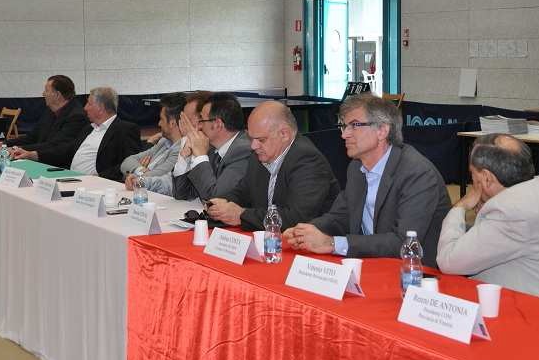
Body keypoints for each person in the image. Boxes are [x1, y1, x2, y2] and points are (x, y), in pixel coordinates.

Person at [283, 94, 450, 268]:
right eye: (344, 126)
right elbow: (341, 216)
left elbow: (403, 242)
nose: (344, 135)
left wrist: (332, 243)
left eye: (354, 125)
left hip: (417, 273)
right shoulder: (356, 168)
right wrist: (304, 231)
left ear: (382, 131)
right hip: (374, 263)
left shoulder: (417, 173)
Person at [436, 133, 539, 309]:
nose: (472, 182)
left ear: (487, 178)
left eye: (473, 175)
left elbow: (447, 260)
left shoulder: (509, 211)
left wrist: (460, 206)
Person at [207, 101, 340, 230]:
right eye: (251, 138)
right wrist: (219, 204)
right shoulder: (260, 155)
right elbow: (243, 192)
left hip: (308, 240)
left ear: (284, 134)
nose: (253, 146)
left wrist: (241, 215)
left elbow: (297, 217)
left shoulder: (307, 160)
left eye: (261, 140)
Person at [11, 87, 140, 181]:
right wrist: (33, 154)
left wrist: (99, 178)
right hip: (71, 177)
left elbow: (129, 162)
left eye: (89, 103)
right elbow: (67, 150)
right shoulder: (88, 129)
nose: (85, 108)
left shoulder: (125, 129)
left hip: (97, 184)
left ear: (100, 107)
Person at [0, 75, 86, 156]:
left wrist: (12, 149)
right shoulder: (50, 111)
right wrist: (2, 144)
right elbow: (32, 137)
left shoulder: (76, 117)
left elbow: (53, 145)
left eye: (46, 90)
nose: (43, 94)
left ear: (57, 95)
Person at [127, 91, 210, 196]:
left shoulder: (210, 151)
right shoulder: (181, 144)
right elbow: (172, 184)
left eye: (186, 120)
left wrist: (201, 156)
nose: (182, 124)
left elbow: (210, 193)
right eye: (181, 119)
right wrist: (141, 181)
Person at [172, 92, 251, 202]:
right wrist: (184, 157)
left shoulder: (242, 152)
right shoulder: (213, 150)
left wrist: (200, 156)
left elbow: (215, 200)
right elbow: (183, 194)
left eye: (202, 120)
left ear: (217, 124)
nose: (199, 126)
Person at [121, 92, 185, 187]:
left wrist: (134, 173)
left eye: (161, 119)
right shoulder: (163, 141)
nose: (159, 123)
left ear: (172, 123)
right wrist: (141, 169)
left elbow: (154, 178)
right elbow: (126, 162)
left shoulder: (181, 150)